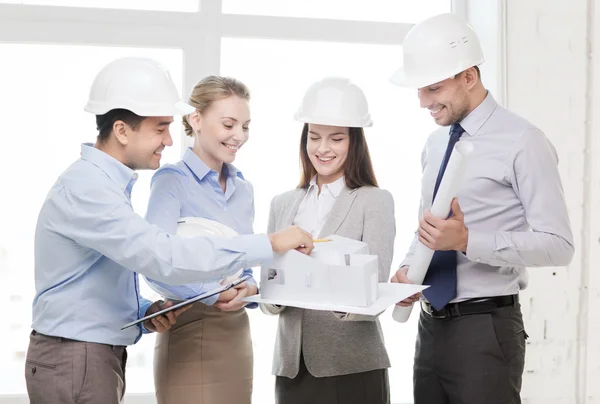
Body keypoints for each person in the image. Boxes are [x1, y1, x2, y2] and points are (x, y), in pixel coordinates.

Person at [24, 57, 313, 404]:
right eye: (160, 128)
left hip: (92, 353)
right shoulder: (89, 189)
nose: (168, 139)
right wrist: (270, 243)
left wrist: (143, 312)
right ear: (122, 130)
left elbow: (95, 276)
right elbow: (163, 256)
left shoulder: (107, 185)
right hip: (77, 355)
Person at [389, 13, 574, 404]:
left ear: (469, 77)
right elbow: (428, 227)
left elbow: (559, 245)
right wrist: (409, 271)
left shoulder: (524, 141)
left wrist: (469, 240)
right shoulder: (435, 144)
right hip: (430, 327)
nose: (423, 101)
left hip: (485, 329)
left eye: (433, 88)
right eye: (420, 89)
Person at [261, 77, 396, 404]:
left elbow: (373, 290)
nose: (323, 149)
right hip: (292, 367)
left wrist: (320, 276)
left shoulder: (373, 201)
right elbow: (268, 295)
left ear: (354, 143)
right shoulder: (283, 203)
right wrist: (284, 281)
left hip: (351, 366)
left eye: (336, 138)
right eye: (314, 137)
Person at [144, 76, 259, 404]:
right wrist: (212, 296)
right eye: (229, 124)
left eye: (246, 126)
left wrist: (247, 290)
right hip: (188, 329)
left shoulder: (244, 189)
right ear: (196, 120)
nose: (239, 136)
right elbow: (154, 262)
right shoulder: (171, 182)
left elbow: (245, 268)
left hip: (237, 333)